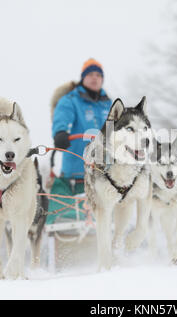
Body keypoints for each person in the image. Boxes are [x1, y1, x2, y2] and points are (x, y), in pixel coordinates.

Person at [47, 58, 112, 225]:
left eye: (98, 75)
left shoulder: (108, 104)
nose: (94, 78)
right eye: (90, 74)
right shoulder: (70, 101)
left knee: (104, 218)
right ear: (83, 77)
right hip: (77, 171)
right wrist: (60, 132)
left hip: (105, 173)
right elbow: (62, 117)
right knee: (72, 218)